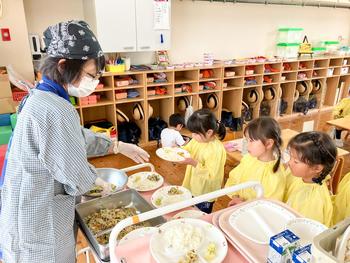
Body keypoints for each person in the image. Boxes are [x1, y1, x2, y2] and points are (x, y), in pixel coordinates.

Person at [0, 21, 149, 263]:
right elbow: (77, 176)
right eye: (91, 75)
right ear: (63, 65)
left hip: (25, 215)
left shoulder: (43, 96)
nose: (94, 82)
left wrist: (116, 145)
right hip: (39, 229)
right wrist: (99, 183)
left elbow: (73, 137)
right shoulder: (55, 109)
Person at [224, 117, 285, 206]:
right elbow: (234, 178)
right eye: (247, 140)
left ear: (268, 143)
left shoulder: (275, 175)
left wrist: (243, 204)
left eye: (251, 141)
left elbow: (269, 207)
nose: (247, 145)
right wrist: (236, 197)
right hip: (239, 208)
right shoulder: (248, 158)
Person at [283, 131, 336, 227]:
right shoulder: (303, 177)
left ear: (316, 168)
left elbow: (305, 231)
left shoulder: (314, 202)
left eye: (295, 161)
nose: (289, 163)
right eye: (290, 157)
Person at [179, 109, 226, 213]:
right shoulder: (198, 140)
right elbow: (188, 149)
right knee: (190, 210)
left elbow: (211, 175)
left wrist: (193, 162)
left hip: (205, 191)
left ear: (209, 132)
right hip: (193, 183)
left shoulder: (216, 150)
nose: (192, 136)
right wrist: (177, 151)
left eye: (195, 133)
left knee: (201, 214)